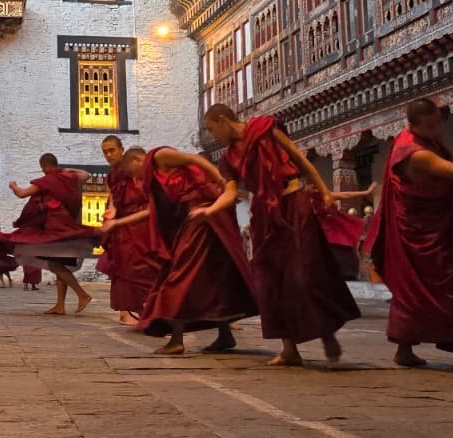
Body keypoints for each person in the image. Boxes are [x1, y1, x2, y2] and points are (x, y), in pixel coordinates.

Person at [203, 105, 360, 367]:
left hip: (293, 202)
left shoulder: (264, 128)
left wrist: (325, 192)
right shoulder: (228, 159)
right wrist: (210, 210)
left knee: (306, 271)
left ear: (223, 119)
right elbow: (230, 193)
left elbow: (298, 159)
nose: (212, 136)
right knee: (270, 279)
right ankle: (289, 348)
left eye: (211, 129)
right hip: (264, 214)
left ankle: (326, 332)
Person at [105, 146, 258, 355]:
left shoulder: (159, 156)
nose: (136, 178)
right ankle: (225, 334)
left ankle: (177, 340)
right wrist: (118, 223)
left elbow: (196, 159)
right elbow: (151, 211)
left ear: (137, 160)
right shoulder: (154, 176)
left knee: (178, 276)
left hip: (203, 217)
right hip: (196, 218)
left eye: (133, 172)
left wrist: (223, 185)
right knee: (213, 278)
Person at [367, 98, 453, 369]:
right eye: (430, 126)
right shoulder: (415, 152)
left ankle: (404, 350)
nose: (438, 130)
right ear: (414, 126)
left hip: (434, 227)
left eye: (439, 123)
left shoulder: (417, 141)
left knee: (411, 292)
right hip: (423, 234)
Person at [0, 154, 99, 315]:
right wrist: (68, 169)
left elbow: (22, 193)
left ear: (43, 166)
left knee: (55, 264)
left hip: (55, 230)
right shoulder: (68, 177)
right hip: (69, 227)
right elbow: (87, 175)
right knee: (62, 264)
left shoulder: (47, 181)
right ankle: (60, 305)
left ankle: (82, 295)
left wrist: (12, 185)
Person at [98, 137, 166, 325]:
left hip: (142, 225)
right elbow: (113, 192)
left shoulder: (137, 169)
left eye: (112, 150)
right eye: (105, 152)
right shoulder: (113, 174)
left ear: (121, 150)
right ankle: (128, 311)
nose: (108, 155)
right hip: (122, 224)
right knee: (122, 268)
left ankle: (150, 310)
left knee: (145, 267)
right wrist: (112, 208)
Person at [310, 186, 376, 280]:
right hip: (318, 232)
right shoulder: (302, 198)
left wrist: (365, 192)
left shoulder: (327, 195)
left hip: (334, 230)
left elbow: (346, 194)